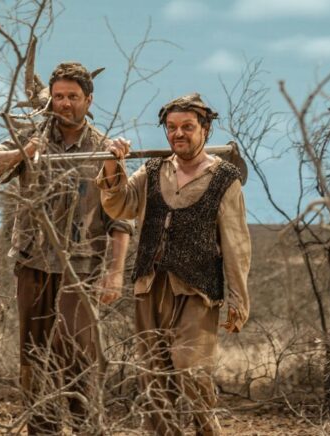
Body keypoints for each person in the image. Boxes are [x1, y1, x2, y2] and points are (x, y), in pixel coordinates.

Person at [0, 62, 133, 435]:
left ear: (88, 100)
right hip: (33, 264)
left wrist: (114, 274)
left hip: (81, 269)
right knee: (34, 357)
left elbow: (121, 216)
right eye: (59, 96)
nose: (65, 104)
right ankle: (42, 429)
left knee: (78, 355)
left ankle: (85, 428)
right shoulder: (33, 136)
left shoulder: (103, 148)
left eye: (73, 97)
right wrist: (25, 151)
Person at [97, 93, 251, 435]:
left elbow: (237, 243)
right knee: (154, 379)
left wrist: (239, 300)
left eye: (187, 127)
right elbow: (119, 206)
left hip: (197, 289)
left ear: (205, 130)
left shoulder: (224, 178)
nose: (178, 134)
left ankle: (207, 430)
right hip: (149, 286)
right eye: (171, 128)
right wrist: (112, 165)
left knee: (190, 368)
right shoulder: (152, 171)